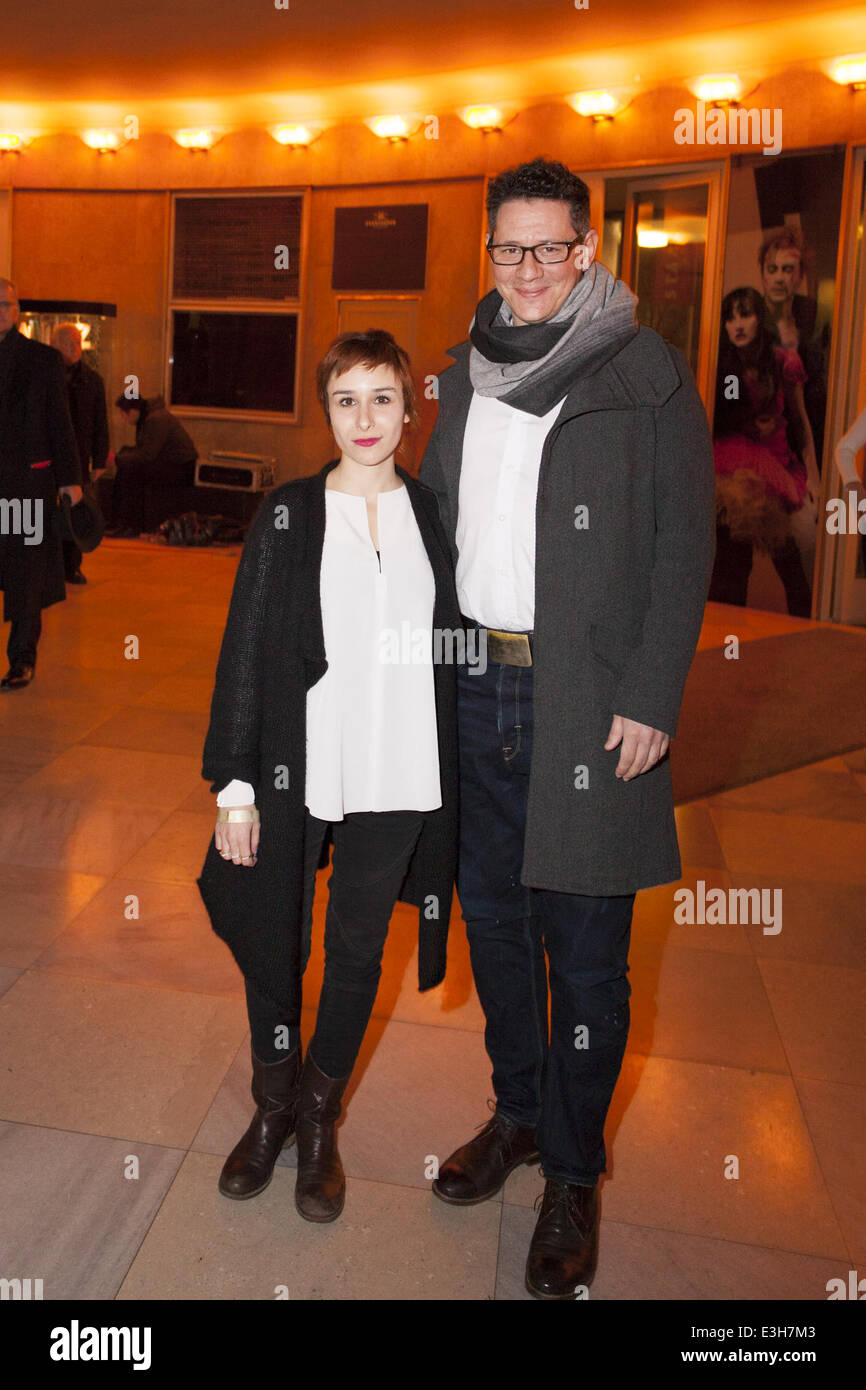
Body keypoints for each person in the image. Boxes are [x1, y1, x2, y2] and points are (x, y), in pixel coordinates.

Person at [418, 157, 716, 1299]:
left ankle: (575, 1172)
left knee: (584, 950)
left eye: (550, 248)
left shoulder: (642, 373)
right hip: (477, 690)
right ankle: (517, 1115)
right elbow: (438, 530)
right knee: (493, 920)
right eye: (509, 249)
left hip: (590, 703)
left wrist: (651, 692)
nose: (529, 270)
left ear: (586, 250)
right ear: (487, 254)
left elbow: (681, 546)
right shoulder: (468, 371)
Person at [197, 330, 460, 1223]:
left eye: (381, 397)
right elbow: (243, 647)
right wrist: (232, 784)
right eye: (345, 400)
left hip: (400, 761)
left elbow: (454, 644)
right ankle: (270, 1111)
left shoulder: (433, 515)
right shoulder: (287, 513)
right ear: (327, 411)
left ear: (408, 407)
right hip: (299, 759)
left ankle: (317, 1119)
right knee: (278, 937)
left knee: (355, 949)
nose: (364, 419)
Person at [708, 285, 819, 616]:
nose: (738, 324)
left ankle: (805, 626)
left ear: (761, 318)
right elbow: (719, 418)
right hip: (732, 462)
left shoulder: (782, 361)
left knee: (790, 557)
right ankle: (726, 630)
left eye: (746, 314)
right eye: (730, 318)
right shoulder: (721, 363)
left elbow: (799, 421)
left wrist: (814, 476)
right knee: (733, 554)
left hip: (776, 462)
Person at [0, 278, 83, 690]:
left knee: (26, 575)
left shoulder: (41, 360)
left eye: (6, 305)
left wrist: (70, 480)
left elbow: (60, 425)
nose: (1, 311)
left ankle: (22, 659)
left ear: (17, 310)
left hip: (25, 488)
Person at [759, 227, 828, 471]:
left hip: (808, 442)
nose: (779, 277)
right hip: (759, 447)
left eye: (787, 269)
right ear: (763, 275)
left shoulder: (813, 320)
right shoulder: (747, 321)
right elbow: (729, 383)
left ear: (799, 277)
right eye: (772, 269)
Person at [51, 323, 110, 584]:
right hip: (48, 456)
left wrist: (99, 461)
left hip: (78, 456)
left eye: (78, 343)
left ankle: (72, 565)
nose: (75, 348)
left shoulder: (93, 381)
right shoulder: (46, 376)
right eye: (69, 343)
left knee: (76, 511)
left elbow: (100, 424)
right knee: (48, 511)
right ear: (56, 345)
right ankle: (50, 565)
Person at [107, 392, 197, 537]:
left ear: (134, 411)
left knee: (131, 473)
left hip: (179, 467)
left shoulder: (155, 420)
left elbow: (147, 455)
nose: (123, 418)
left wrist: (117, 459)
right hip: (170, 462)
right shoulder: (148, 417)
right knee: (127, 463)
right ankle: (121, 522)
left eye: (124, 414)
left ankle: (131, 525)